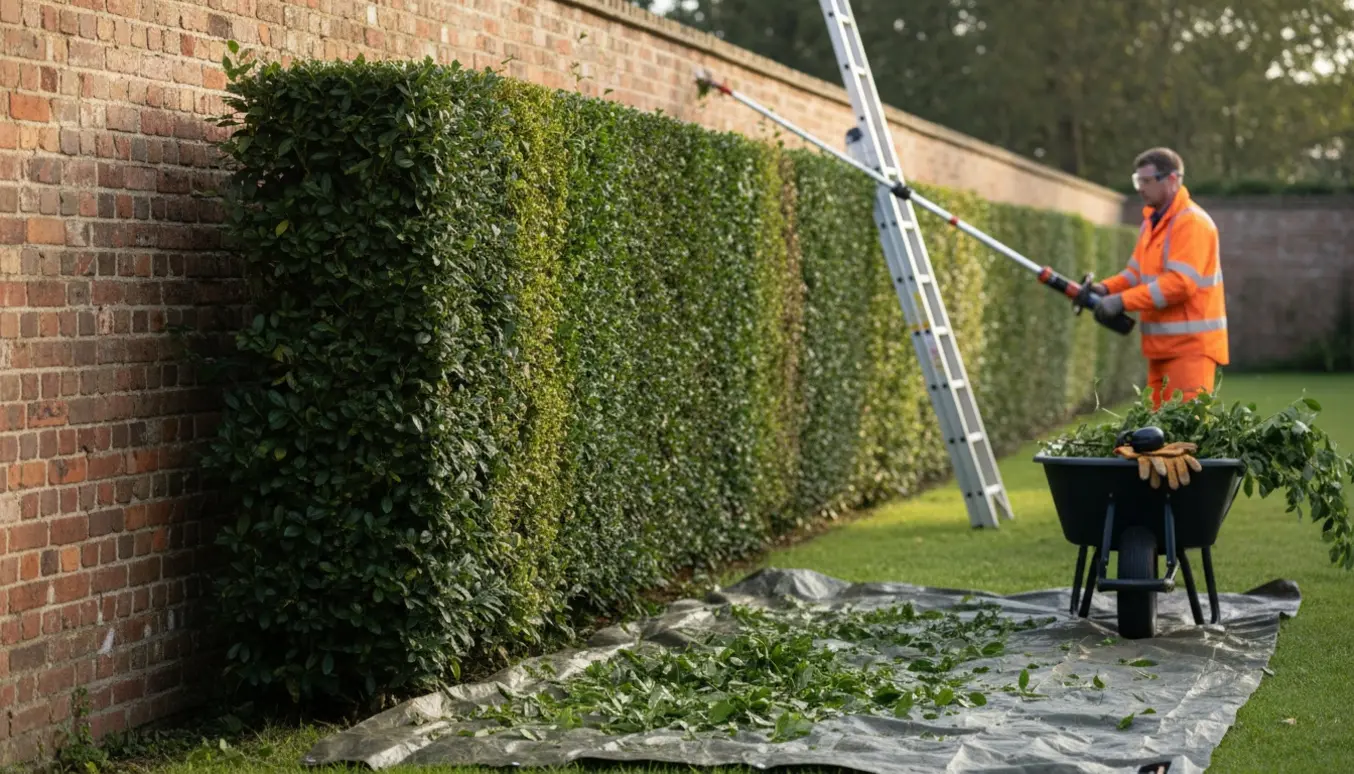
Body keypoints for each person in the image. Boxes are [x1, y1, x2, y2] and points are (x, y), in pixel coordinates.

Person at [1091, 147, 1228, 409]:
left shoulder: (1192, 223)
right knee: (1155, 437)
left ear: (1173, 179)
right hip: (1161, 349)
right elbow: (1134, 274)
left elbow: (1180, 284)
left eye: (1146, 181)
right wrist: (1104, 289)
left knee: (1183, 436)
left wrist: (1121, 302)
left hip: (1191, 351)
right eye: (1137, 180)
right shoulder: (1152, 223)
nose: (1140, 188)